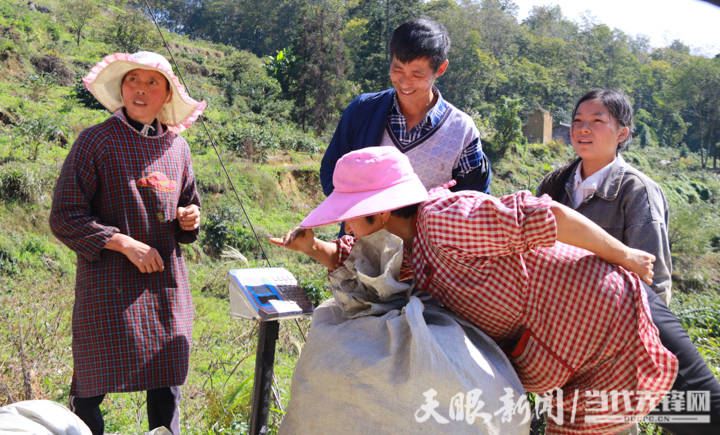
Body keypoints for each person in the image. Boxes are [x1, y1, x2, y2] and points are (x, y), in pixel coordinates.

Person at [271, 146, 720, 434]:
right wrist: (314, 248)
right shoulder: (412, 247)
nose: (347, 220)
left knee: (697, 414)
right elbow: (365, 269)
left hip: (617, 318)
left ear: (382, 210)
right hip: (572, 362)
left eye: (352, 210)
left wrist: (623, 254)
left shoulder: (447, 218)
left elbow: (551, 218)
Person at [49, 51, 206, 435]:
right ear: (122, 89)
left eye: (153, 82)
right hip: (108, 290)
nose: (141, 89)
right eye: (133, 80)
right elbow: (65, 216)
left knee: (165, 383)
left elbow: (189, 210)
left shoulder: (178, 149)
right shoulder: (95, 141)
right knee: (89, 390)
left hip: (165, 289)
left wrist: (190, 218)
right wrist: (124, 244)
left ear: (167, 94)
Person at [320, 18, 491, 199]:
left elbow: (474, 202)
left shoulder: (462, 131)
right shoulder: (362, 110)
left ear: (440, 69)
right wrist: (360, 216)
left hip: (428, 228)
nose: (404, 82)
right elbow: (331, 171)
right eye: (398, 69)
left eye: (417, 74)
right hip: (362, 228)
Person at [537, 89, 672, 305]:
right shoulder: (553, 184)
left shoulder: (637, 192)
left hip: (608, 322)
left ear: (622, 134)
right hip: (549, 313)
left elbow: (655, 282)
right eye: (578, 120)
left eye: (597, 120)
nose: (583, 129)